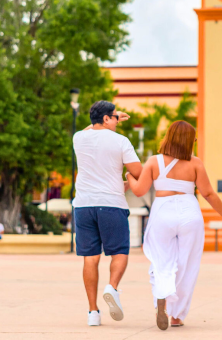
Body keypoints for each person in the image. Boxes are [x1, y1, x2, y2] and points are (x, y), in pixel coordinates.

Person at [125, 120, 222, 331]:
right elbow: (208, 194)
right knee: (187, 266)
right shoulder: (195, 163)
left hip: (162, 212)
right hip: (189, 213)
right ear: (188, 141)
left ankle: (162, 299)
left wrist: (129, 177)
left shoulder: (154, 161)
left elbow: (139, 190)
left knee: (161, 261)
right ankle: (176, 316)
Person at [72, 101, 141, 327]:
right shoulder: (121, 141)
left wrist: (108, 116)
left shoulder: (78, 138)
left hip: (83, 205)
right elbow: (138, 172)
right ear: (106, 119)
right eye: (114, 118)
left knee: (90, 258)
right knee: (120, 252)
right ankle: (112, 287)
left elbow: (87, 129)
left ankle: (93, 312)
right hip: (111, 204)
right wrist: (128, 183)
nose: (117, 122)